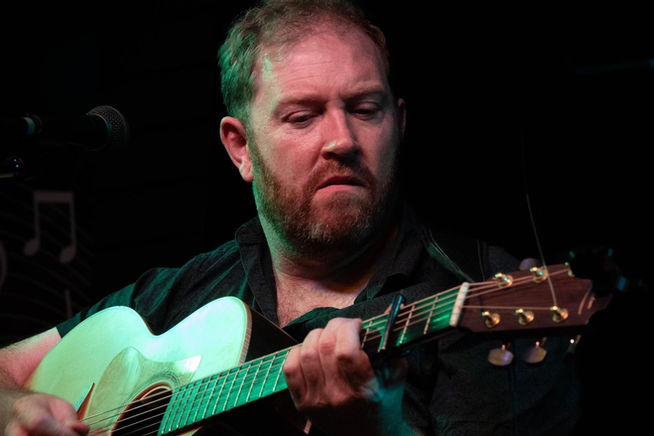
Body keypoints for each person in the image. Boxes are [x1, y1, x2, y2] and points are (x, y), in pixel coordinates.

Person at [0, 0, 583, 435]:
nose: (342, 140)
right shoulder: (185, 292)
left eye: (365, 109)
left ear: (399, 124)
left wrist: (378, 432)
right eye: (303, 117)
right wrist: (16, 407)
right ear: (241, 149)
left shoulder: (481, 293)